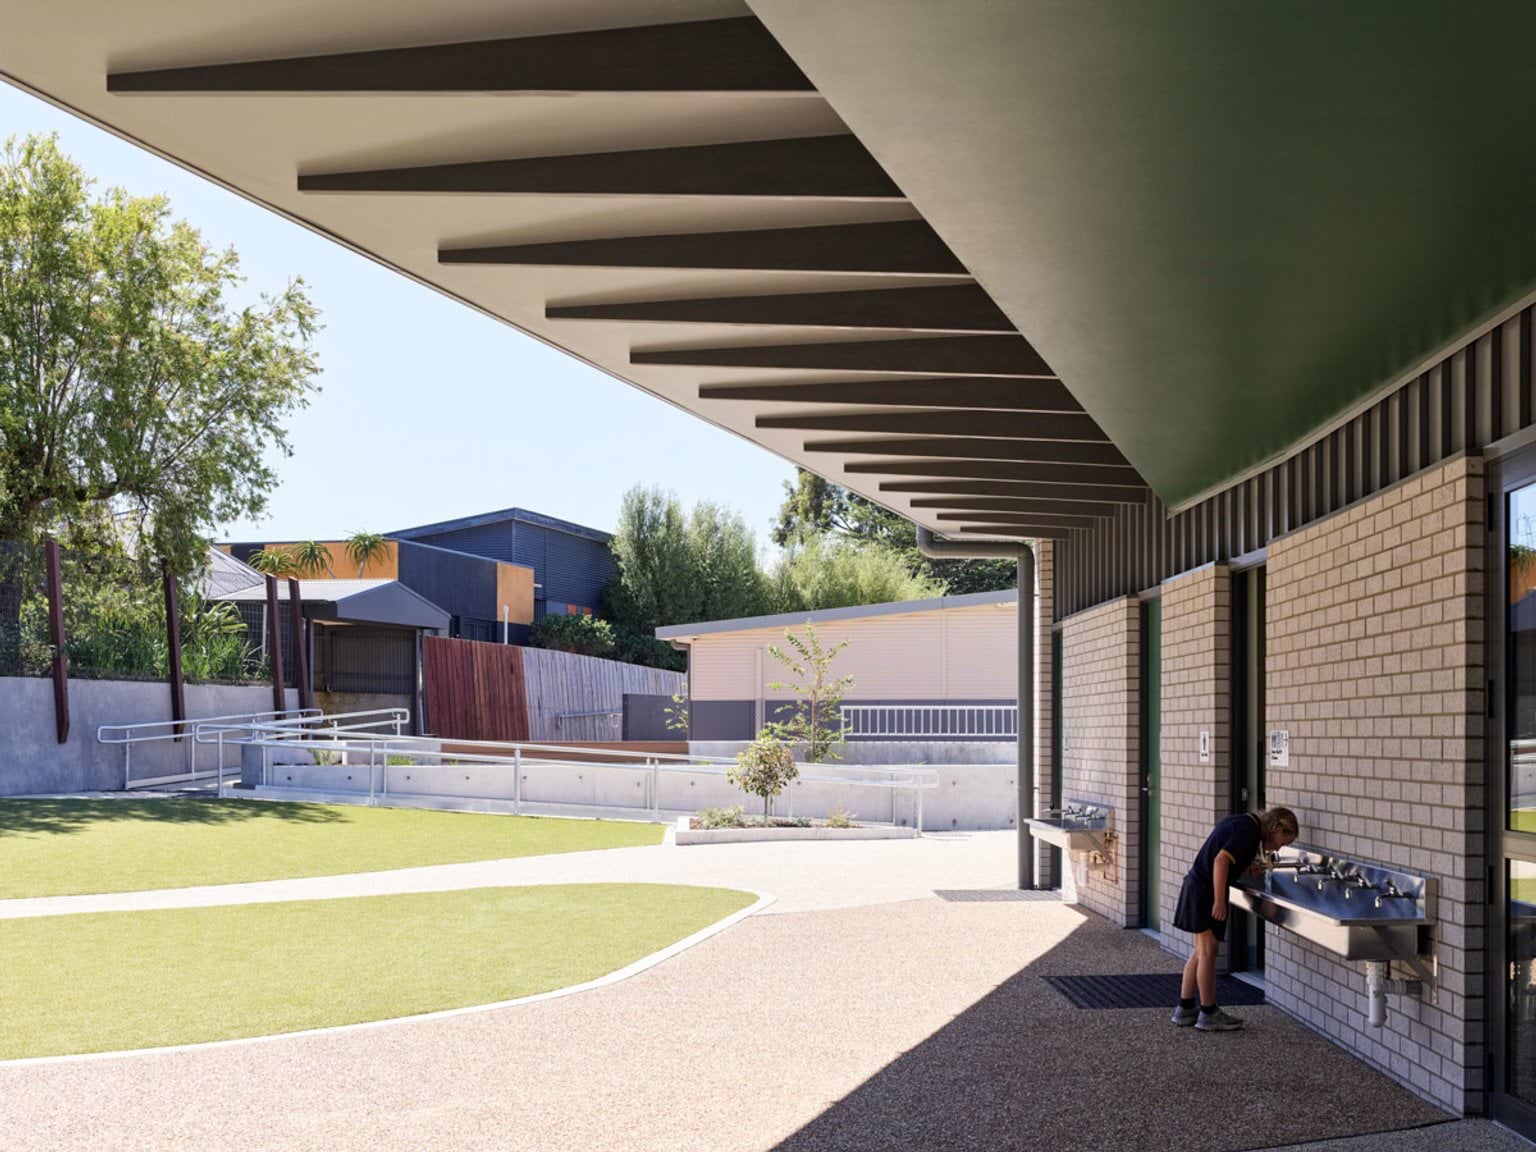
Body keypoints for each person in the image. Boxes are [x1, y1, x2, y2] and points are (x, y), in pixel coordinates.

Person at [1171, 806, 1299, 1032]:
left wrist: (1242, 865)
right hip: (1206, 893)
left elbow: (1222, 854)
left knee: (1200, 952)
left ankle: (1185, 1007)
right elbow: (1220, 861)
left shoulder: (1242, 820)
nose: (1279, 846)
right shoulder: (1249, 832)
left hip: (1196, 887)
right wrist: (1219, 901)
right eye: (1283, 841)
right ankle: (1209, 1013)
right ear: (1276, 828)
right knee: (1208, 953)